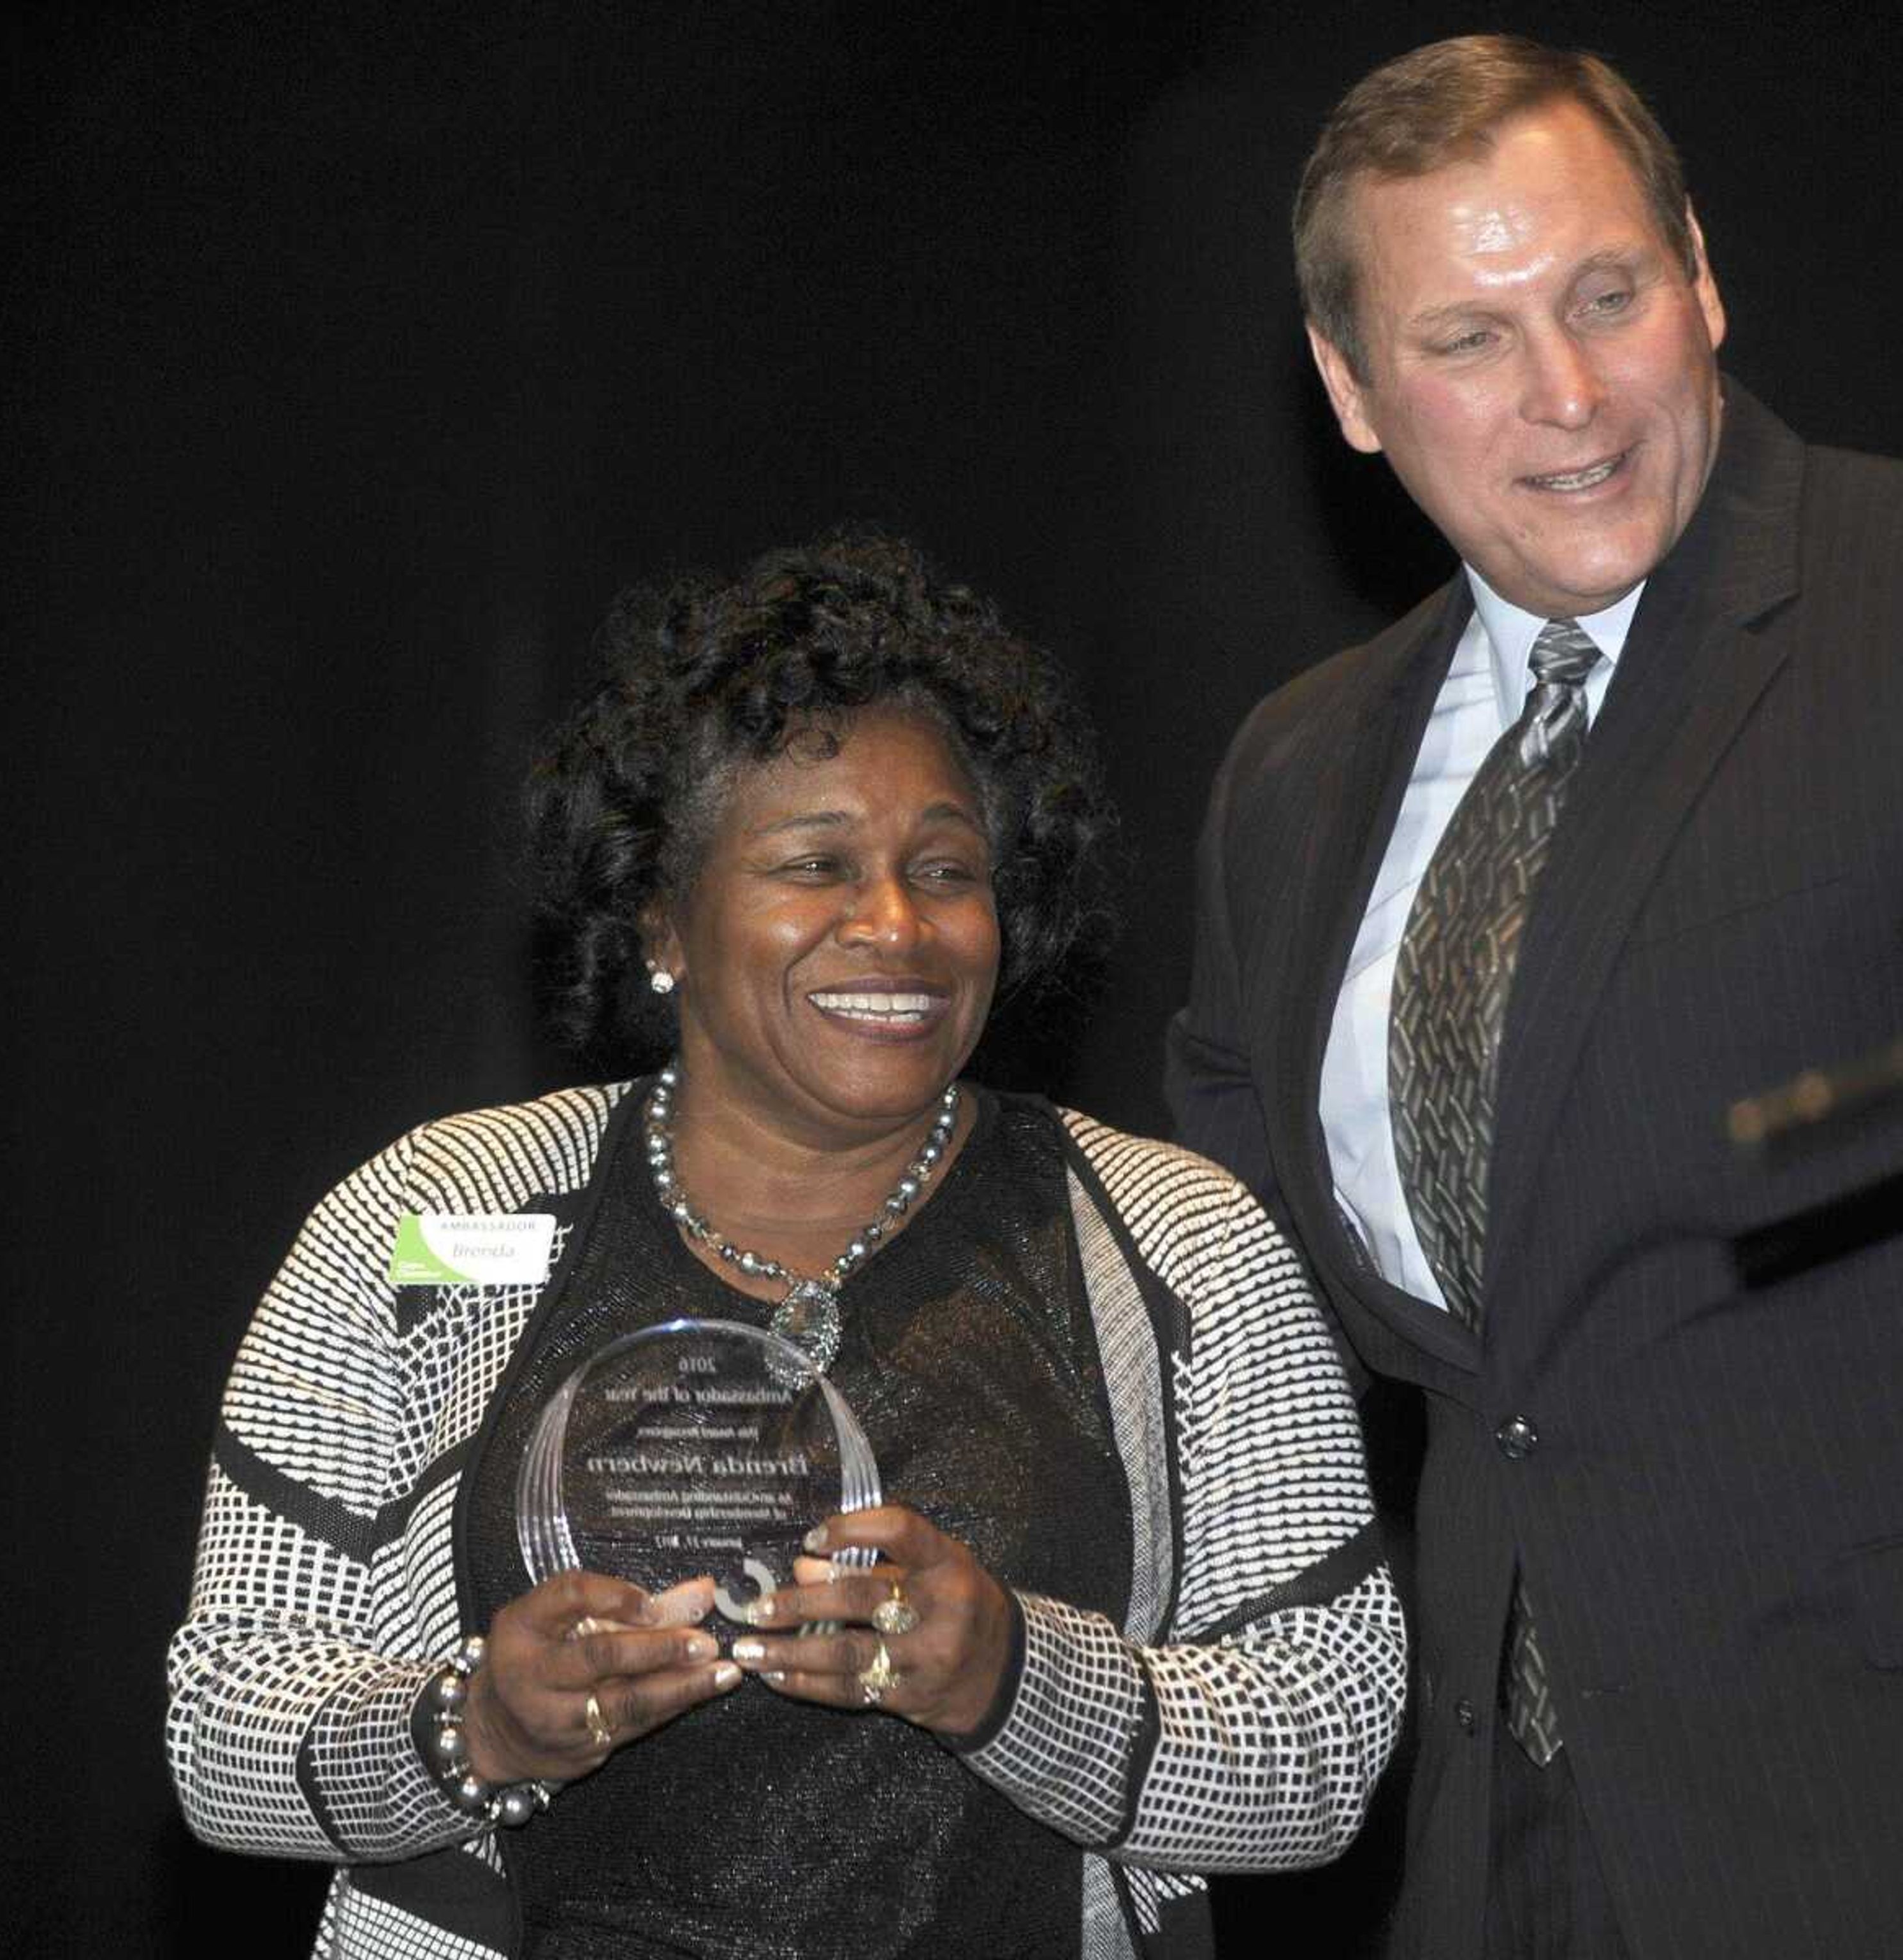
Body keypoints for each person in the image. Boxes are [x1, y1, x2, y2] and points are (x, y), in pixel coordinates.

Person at [1165, 34, 1903, 1960]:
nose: (1568, 394)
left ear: (1699, 273)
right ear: (1352, 391)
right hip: (1513, 1844)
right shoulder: (1294, 776)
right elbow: (1235, 1263)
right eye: (1468, 338)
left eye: (1606, 296)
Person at [168, 533, 1407, 1959]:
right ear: (662, 921)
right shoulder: (434, 1223)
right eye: (817, 863)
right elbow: (222, 1727)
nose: (896, 925)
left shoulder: (1178, 1242)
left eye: (946, 868)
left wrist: (1017, 1677)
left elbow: (1327, 1738)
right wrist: (475, 1725)